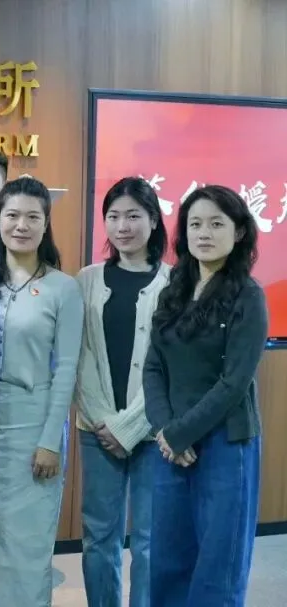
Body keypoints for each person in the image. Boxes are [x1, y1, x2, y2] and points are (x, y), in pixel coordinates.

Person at [0, 176, 83, 606]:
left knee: (25, 544)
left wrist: (50, 440)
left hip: (32, 424)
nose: (22, 225)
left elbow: (66, 369)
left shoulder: (63, 288)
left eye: (33, 217)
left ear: (46, 224)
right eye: (12, 215)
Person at [144, 185, 265, 607]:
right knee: (168, 561)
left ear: (239, 232)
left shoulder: (249, 295)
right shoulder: (174, 290)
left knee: (219, 565)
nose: (204, 233)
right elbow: (153, 368)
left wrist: (180, 434)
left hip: (225, 444)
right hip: (170, 447)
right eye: (195, 224)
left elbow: (234, 383)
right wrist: (166, 431)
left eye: (216, 224)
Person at [75, 177, 169, 607]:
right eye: (113, 216)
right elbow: (79, 356)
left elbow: (171, 367)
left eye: (133, 215)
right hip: (96, 431)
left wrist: (130, 426)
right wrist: (104, 421)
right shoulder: (87, 279)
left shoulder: (174, 283)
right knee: (99, 536)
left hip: (154, 432)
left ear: (153, 220)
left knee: (150, 539)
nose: (122, 226)